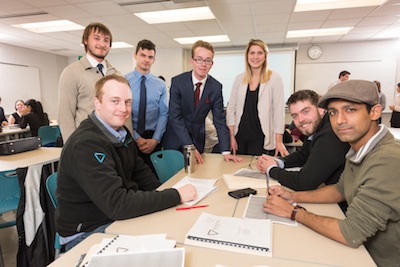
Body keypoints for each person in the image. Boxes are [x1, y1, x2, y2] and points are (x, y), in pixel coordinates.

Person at [262, 80, 400, 267]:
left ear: (375, 112)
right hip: (361, 250)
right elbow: (339, 190)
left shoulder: (387, 159)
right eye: (334, 112)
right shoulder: (359, 148)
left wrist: (293, 212)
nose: (339, 120)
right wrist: (292, 196)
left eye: (350, 110)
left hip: (377, 259)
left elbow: (351, 233)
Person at [55, 74, 197, 250]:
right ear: (97, 103)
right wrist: (176, 195)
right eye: (115, 101)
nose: (123, 108)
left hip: (113, 218)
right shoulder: (86, 144)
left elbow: (143, 176)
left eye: (128, 102)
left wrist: (166, 195)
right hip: (88, 232)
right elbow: (117, 204)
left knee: (177, 229)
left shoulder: (121, 133)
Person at [162, 40, 242, 164]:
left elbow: (219, 120)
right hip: (175, 139)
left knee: (196, 177)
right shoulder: (178, 82)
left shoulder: (215, 87)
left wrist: (226, 151)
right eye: (199, 59)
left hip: (197, 139)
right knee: (174, 179)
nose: (203, 64)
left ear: (212, 64)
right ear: (192, 61)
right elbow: (175, 117)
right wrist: (190, 147)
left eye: (207, 60)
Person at [256, 90, 350, 191]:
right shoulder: (317, 126)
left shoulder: (329, 133)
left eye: (306, 112)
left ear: (321, 110)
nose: (300, 119)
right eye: (295, 116)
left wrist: (271, 169)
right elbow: (304, 154)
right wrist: (278, 162)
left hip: (342, 204)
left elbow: (304, 182)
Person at [58, 22, 121, 142]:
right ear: (85, 40)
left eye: (106, 40)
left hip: (114, 145)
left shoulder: (116, 75)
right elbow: (65, 116)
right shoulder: (72, 72)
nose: (102, 44)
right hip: (86, 143)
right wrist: (73, 148)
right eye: (97, 38)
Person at [226, 39, 288, 157]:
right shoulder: (239, 79)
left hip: (261, 138)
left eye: (260, 53)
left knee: (256, 172)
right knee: (237, 171)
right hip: (240, 137)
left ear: (265, 56)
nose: (255, 57)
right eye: (252, 53)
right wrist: (232, 137)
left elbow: (279, 112)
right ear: (247, 56)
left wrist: (278, 141)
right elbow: (231, 109)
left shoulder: (274, 77)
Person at [125, 40, 168, 176]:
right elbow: (123, 113)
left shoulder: (160, 85)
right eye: (142, 55)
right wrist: (137, 138)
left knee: (154, 177)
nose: (146, 60)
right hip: (130, 137)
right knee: (132, 179)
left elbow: (163, 114)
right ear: (135, 55)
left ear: (154, 59)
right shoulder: (123, 81)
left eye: (150, 57)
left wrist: (155, 139)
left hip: (152, 140)